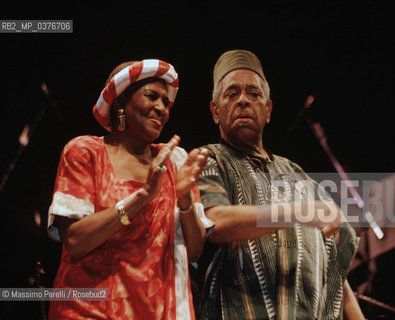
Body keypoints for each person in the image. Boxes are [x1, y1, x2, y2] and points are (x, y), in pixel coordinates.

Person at [196, 50, 364, 319]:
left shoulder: (295, 173)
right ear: (215, 112)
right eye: (231, 94)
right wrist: (298, 211)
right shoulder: (210, 159)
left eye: (253, 93)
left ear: (268, 110)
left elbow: (335, 273)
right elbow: (215, 222)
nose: (243, 101)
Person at [47, 59, 213, 319]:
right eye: (152, 97)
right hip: (88, 310)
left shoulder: (175, 162)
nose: (162, 108)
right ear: (122, 102)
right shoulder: (85, 152)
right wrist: (142, 197)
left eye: (166, 102)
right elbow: (76, 242)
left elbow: (194, 251)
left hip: (157, 311)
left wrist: (184, 200)